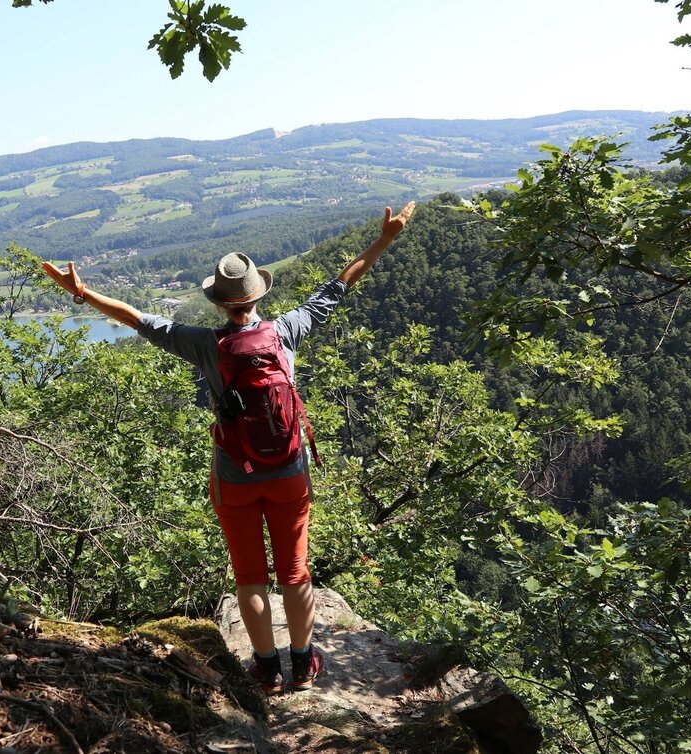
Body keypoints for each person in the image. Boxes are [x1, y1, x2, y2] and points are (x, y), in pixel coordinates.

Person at [42, 201, 415, 693]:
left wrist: (82, 292)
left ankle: (266, 669)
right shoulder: (285, 332)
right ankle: (303, 664)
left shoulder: (202, 343)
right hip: (288, 471)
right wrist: (385, 238)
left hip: (235, 475)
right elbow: (339, 286)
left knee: (250, 576)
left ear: (219, 303)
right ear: (258, 295)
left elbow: (136, 319)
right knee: (296, 572)